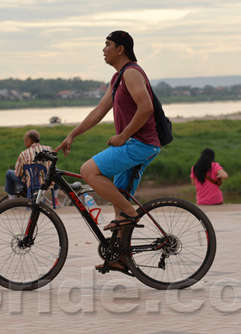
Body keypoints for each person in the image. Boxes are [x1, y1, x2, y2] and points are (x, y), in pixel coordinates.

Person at [55, 31, 161, 273]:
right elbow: (99, 111)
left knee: (88, 171)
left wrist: (123, 136)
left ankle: (130, 212)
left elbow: (146, 107)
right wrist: (72, 134)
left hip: (139, 143)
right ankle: (122, 257)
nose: (103, 49)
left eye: (107, 45)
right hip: (135, 143)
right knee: (118, 198)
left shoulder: (132, 72)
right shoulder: (118, 78)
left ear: (120, 49)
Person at [5, 129, 60, 206]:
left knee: (8, 174)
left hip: (31, 183)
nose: (24, 141)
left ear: (29, 139)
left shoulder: (23, 154)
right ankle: (55, 199)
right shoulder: (49, 149)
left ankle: (11, 201)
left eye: (24, 139)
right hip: (48, 182)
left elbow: (18, 174)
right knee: (54, 172)